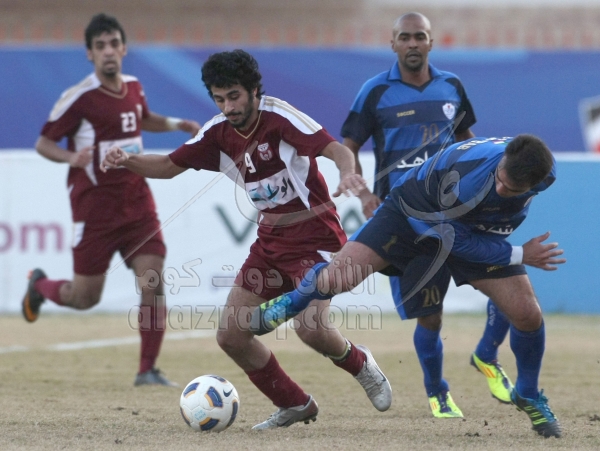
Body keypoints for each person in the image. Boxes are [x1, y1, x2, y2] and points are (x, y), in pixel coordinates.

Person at [100, 49, 393, 429]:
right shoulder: (217, 133)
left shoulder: (280, 117)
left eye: (235, 96)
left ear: (255, 90)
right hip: (269, 243)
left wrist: (348, 173)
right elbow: (169, 166)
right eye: (219, 99)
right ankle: (295, 404)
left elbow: (336, 149)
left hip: (315, 237)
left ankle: (360, 364)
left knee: (311, 330)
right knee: (231, 335)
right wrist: (127, 160)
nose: (229, 107)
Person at [252, 135, 565, 438]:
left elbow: (465, 236)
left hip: (474, 230)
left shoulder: (544, 173)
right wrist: (520, 254)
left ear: (535, 183)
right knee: (338, 279)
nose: (500, 188)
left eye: (511, 189)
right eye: (500, 179)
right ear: (502, 161)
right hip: (412, 213)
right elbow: (451, 240)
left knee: (527, 314)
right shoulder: (468, 180)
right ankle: (293, 302)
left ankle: (528, 394)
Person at [340, 11, 512, 417]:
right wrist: (363, 193)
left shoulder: (451, 86)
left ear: (431, 42)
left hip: (461, 213)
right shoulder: (375, 91)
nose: (413, 43)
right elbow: (348, 145)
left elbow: (470, 141)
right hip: (408, 219)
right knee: (431, 318)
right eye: (405, 37)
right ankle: (438, 393)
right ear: (393, 44)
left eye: (420, 36)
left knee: (509, 287)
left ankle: (486, 354)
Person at [22, 13, 201, 387]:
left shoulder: (133, 86)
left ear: (124, 48)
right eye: (100, 46)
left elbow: (142, 118)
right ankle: (39, 285)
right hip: (95, 212)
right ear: (89, 53)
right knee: (84, 298)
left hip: (137, 204)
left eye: (113, 44)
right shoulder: (79, 98)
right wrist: (72, 157)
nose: (108, 51)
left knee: (152, 280)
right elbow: (43, 142)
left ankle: (147, 370)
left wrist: (176, 124)